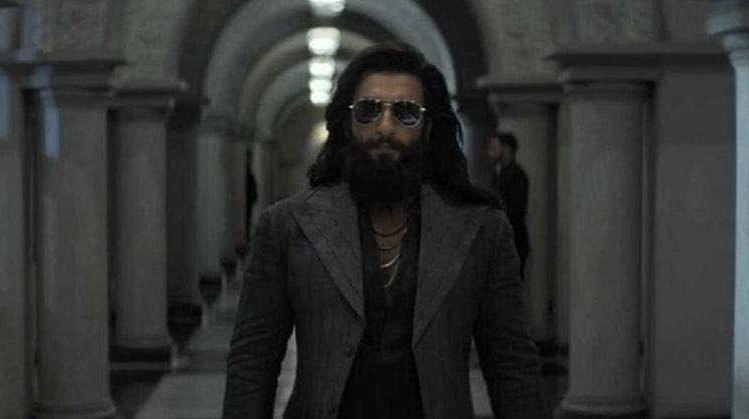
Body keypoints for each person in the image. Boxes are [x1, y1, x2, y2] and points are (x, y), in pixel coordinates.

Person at [223, 42, 548, 419]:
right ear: (347, 124)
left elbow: (512, 368)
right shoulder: (288, 225)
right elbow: (252, 364)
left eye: (405, 113)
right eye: (369, 110)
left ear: (427, 127)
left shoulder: (481, 229)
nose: (385, 127)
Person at [488, 133, 531, 277]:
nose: (490, 151)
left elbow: (516, 210)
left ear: (506, 149)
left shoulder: (516, 175)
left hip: (513, 241)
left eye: (495, 147)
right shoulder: (498, 174)